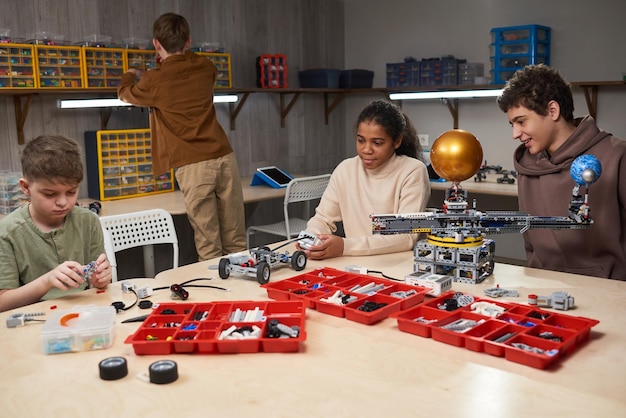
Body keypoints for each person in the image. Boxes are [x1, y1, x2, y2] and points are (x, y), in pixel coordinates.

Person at [118, 12, 246, 261]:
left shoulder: (154, 80)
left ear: (156, 43)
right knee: (237, 241)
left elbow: (125, 94)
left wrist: (131, 74)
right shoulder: (206, 68)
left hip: (193, 166)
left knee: (209, 245)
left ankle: (217, 298)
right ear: (188, 41)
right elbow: (191, 67)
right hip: (225, 157)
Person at [497, 64, 626, 280]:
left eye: (521, 121)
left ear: (552, 111)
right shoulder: (527, 166)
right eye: (512, 124)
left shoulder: (616, 156)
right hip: (541, 289)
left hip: (608, 291)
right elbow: (530, 242)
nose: (515, 134)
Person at [298, 99, 431, 260]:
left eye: (377, 143)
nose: (366, 149)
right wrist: (311, 238)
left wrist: (345, 246)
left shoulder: (412, 171)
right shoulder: (345, 169)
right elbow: (323, 219)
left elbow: (406, 237)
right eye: (361, 140)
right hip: (354, 261)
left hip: (395, 265)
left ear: (397, 141)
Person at [0, 135, 112, 312]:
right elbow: (3, 302)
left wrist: (100, 279)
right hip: (33, 321)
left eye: (71, 192)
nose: (63, 202)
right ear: (26, 187)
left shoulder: (88, 221)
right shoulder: (6, 233)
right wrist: (47, 281)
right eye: (50, 194)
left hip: (85, 313)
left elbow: (97, 285)